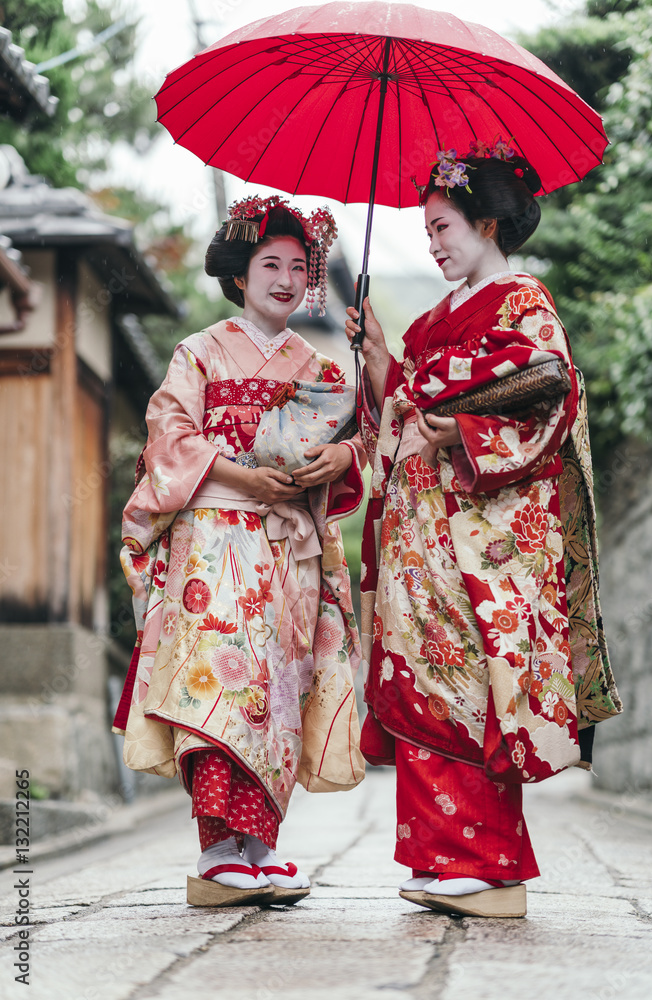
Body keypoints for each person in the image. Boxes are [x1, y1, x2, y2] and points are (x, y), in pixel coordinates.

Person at [345, 141, 621, 918]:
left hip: (485, 526)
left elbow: (548, 386)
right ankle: (442, 857)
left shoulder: (520, 299)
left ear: (489, 223)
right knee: (419, 677)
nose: (430, 244)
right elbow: (405, 404)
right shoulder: (433, 317)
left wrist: (456, 429)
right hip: (421, 528)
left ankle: (490, 863)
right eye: (425, 231)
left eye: (442, 228)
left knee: (469, 677)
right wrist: (375, 358)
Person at [114, 195, 365, 907]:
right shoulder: (199, 350)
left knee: (279, 688)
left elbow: (359, 438)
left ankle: (259, 846)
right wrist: (238, 473)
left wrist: (342, 455)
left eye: (296, 266)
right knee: (221, 681)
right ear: (238, 275)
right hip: (215, 536)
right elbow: (168, 433)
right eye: (268, 264)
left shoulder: (318, 362)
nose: (284, 278)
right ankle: (218, 847)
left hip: (288, 546)